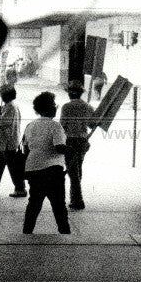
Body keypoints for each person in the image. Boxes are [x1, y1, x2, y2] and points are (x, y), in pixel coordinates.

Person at [21, 91, 70, 235]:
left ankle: (26, 233)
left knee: (34, 203)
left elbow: (25, 148)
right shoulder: (55, 126)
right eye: (54, 105)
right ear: (48, 107)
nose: (56, 107)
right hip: (52, 171)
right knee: (59, 206)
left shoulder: (30, 125)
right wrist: (74, 149)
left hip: (33, 169)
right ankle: (65, 234)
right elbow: (59, 147)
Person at [59, 79, 96, 210]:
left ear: (70, 93)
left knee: (72, 171)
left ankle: (77, 200)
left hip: (70, 141)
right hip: (83, 141)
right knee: (77, 168)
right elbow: (92, 124)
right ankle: (75, 197)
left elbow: (62, 126)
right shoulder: (88, 106)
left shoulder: (66, 107)